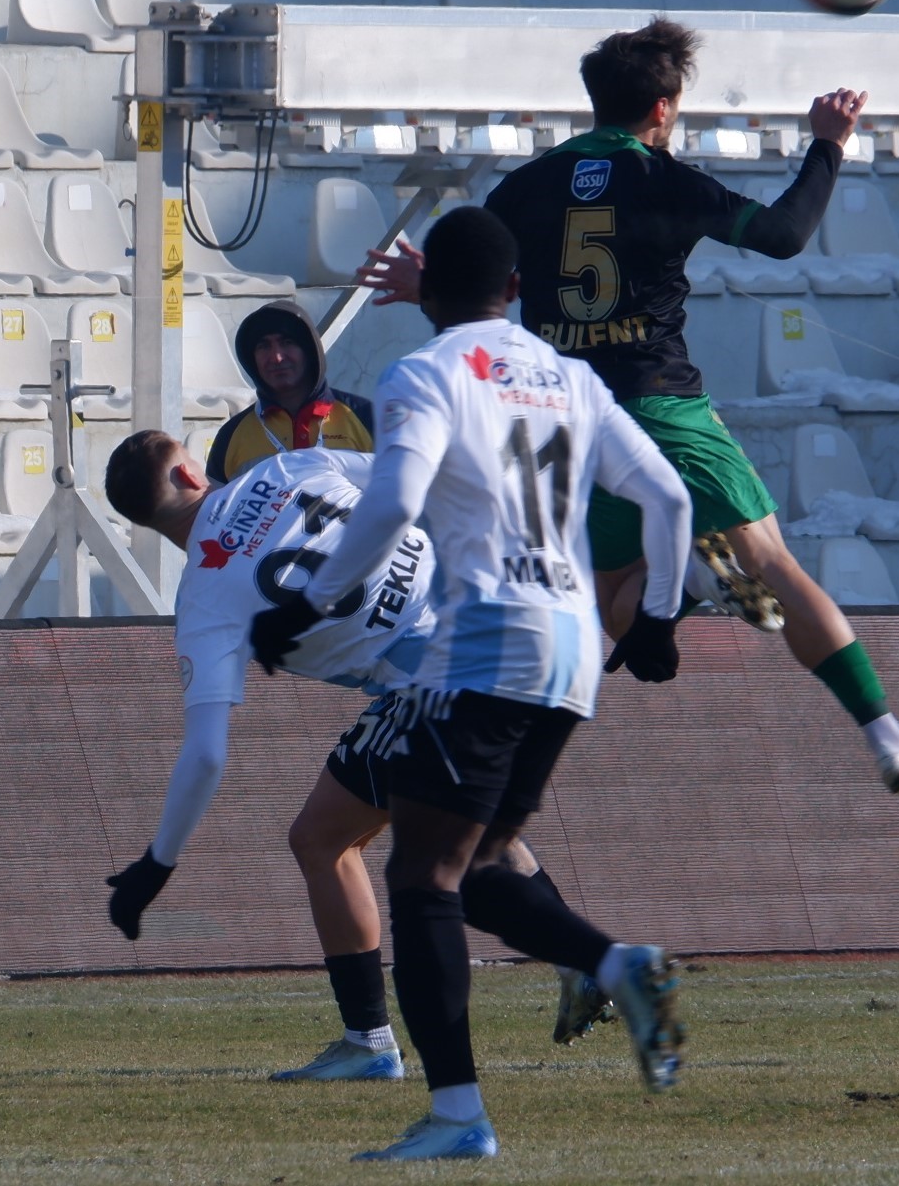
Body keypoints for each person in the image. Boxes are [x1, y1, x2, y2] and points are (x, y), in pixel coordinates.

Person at [359, 16, 899, 803]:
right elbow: (782, 234)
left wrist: (424, 285)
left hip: (567, 424)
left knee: (609, 605)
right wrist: (827, 143)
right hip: (662, 407)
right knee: (772, 561)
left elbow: (484, 286)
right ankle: (887, 736)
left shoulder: (522, 189)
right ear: (664, 107)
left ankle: (691, 591)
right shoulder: (666, 180)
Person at [251, 206, 695, 1162]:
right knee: (480, 865)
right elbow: (668, 495)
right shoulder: (571, 378)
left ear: (430, 294)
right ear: (519, 289)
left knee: (420, 878)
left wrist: (311, 602)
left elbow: (396, 501)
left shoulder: (426, 372)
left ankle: (456, 1114)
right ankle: (617, 964)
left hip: (485, 644)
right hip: (571, 654)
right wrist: (656, 614)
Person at [101, 435, 612, 1086]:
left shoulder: (202, 601)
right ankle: (582, 964)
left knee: (324, 840)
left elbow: (205, 753)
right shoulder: (283, 467)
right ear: (187, 469)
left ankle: (375, 1042)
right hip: (490, 616)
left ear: (141, 520)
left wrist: (156, 863)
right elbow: (416, 473)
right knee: (464, 826)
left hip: (429, 674)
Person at [206, 298, 374, 483]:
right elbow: (214, 509)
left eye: (287, 342)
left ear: (309, 350)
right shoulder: (230, 436)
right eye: (263, 346)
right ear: (251, 358)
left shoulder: (367, 417)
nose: (276, 357)